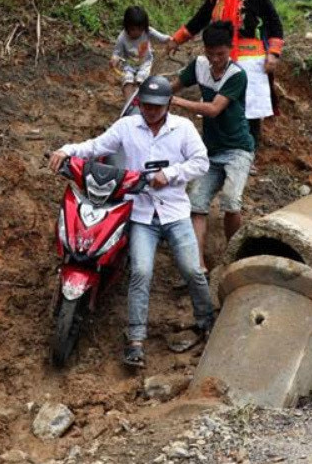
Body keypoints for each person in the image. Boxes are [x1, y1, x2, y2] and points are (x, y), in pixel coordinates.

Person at [48, 76, 214, 368]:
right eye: (146, 105)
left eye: (157, 106)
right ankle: (135, 340)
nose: (151, 111)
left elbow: (201, 162)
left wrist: (170, 174)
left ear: (168, 104)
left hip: (175, 211)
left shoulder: (184, 128)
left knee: (192, 269)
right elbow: (96, 146)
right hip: (139, 214)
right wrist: (67, 150)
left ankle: (206, 321)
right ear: (139, 103)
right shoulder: (127, 126)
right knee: (140, 271)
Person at [167, 0, 284, 148]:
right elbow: (199, 19)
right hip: (221, 59)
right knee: (220, 105)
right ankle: (219, 147)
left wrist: (273, 54)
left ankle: (249, 150)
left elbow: (274, 23)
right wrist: (177, 39)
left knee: (249, 109)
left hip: (249, 60)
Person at [170, 21, 254, 273]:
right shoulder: (199, 65)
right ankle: (198, 266)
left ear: (230, 49)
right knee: (196, 203)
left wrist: (176, 101)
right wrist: (156, 93)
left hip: (238, 149)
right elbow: (173, 86)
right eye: (210, 54)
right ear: (204, 49)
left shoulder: (237, 75)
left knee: (231, 201)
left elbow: (214, 109)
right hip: (210, 150)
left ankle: (235, 256)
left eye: (221, 54)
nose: (215, 60)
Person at [110, 6, 172, 101]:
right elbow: (117, 53)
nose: (137, 32)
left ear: (144, 27)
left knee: (141, 80)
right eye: (133, 29)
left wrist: (172, 40)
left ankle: (142, 101)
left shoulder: (148, 31)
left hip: (145, 63)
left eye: (140, 29)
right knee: (127, 81)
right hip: (128, 66)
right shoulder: (122, 38)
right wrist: (114, 59)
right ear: (126, 26)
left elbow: (162, 38)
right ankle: (129, 103)